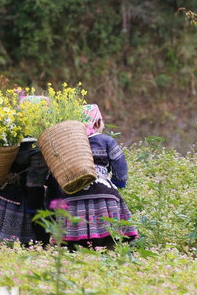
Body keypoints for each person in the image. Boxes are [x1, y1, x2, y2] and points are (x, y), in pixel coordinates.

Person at [44, 104, 138, 249]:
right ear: (97, 122)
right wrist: (117, 183)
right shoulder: (106, 141)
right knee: (109, 241)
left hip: (73, 195)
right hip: (104, 196)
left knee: (73, 245)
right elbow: (120, 166)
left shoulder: (67, 143)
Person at [0, 137, 48, 245]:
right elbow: (34, 185)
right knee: (37, 232)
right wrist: (35, 208)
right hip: (17, 195)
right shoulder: (37, 154)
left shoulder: (4, 145)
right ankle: (36, 245)